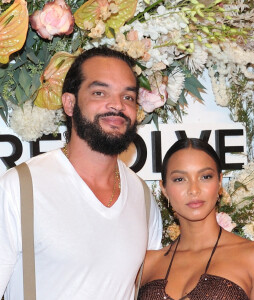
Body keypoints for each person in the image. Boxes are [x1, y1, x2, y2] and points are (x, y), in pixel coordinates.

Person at [0, 47, 162, 299]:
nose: (117, 105)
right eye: (100, 92)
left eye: (128, 97)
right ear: (69, 103)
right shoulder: (20, 187)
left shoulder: (142, 197)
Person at [137, 138, 254, 300]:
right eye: (179, 179)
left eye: (205, 177)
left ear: (219, 181)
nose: (194, 190)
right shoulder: (146, 264)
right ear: (164, 189)